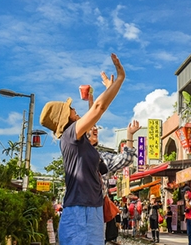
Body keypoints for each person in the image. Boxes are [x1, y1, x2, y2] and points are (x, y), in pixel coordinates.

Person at [39, 53, 125, 245]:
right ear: (64, 117)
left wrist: (105, 91)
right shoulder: (70, 135)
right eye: (70, 109)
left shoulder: (76, 139)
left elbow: (94, 114)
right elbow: (98, 110)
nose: (74, 109)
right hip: (81, 214)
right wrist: (120, 79)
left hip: (88, 211)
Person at [87, 118, 139, 245]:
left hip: (98, 208)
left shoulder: (103, 157)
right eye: (91, 127)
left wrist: (130, 135)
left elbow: (126, 159)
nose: (96, 130)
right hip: (79, 207)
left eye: (96, 127)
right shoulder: (75, 154)